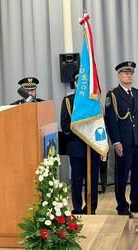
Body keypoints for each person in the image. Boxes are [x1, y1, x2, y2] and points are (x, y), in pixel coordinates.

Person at [104, 61, 138, 218]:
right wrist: (116, 141)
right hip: (123, 142)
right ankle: (122, 205)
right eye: (126, 73)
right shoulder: (113, 95)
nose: (129, 76)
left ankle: (136, 203)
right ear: (119, 76)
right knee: (122, 175)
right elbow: (111, 121)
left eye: (131, 73)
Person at [60, 72, 100, 214]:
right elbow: (65, 126)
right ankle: (77, 208)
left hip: (93, 147)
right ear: (76, 83)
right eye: (79, 82)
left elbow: (100, 124)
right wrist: (82, 133)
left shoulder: (94, 101)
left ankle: (91, 208)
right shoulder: (68, 101)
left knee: (93, 179)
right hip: (76, 147)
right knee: (77, 180)